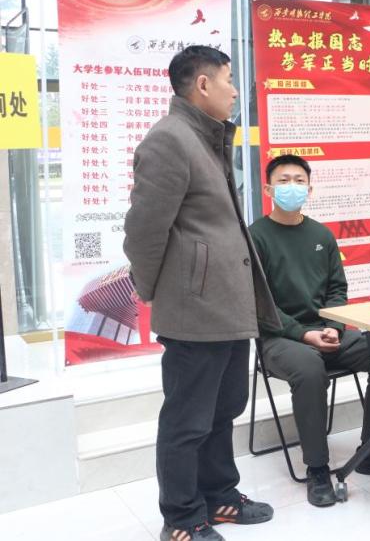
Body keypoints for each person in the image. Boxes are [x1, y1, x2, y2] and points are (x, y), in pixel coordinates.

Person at [123, 46, 277, 541]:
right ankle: (182, 517)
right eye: (229, 80)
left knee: (223, 408)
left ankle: (219, 495)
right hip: (195, 310)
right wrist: (157, 291)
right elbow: (143, 231)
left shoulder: (206, 137)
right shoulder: (170, 139)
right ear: (203, 85)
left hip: (226, 306)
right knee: (187, 420)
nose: (235, 91)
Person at [249, 154, 370, 509]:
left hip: (325, 331)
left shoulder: (321, 235)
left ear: (310, 189)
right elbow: (258, 303)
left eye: (299, 181)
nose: (292, 187)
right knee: (309, 367)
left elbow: (337, 290)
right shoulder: (255, 237)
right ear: (268, 189)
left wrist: (333, 327)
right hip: (279, 338)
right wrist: (303, 334)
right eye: (283, 181)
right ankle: (318, 468)